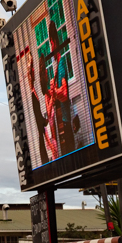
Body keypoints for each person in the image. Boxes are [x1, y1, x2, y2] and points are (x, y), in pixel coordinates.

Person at [47, 21, 75, 156]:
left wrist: (55, 91)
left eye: (51, 43)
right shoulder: (55, 68)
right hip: (60, 125)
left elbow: (64, 93)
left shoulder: (62, 63)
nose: (50, 47)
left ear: (54, 43)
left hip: (66, 122)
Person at [25, 53, 49, 166]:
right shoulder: (33, 93)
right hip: (40, 126)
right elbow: (37, 114)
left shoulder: (35, 92)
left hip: (41, 125)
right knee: (42, 142)